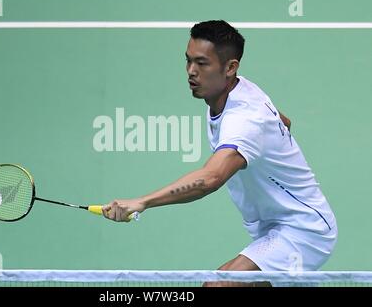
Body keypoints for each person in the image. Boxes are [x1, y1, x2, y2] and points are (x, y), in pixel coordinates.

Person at [102, 20, 337, 286]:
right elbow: (284, 122)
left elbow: (211, 178)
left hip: (304, 230)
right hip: (272, 229)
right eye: (188, 61)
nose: (191, 71)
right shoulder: (238, 91)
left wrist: (142, 201)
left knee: (218, 285)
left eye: (202, 64)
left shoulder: (244, 121)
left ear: (230, 67)